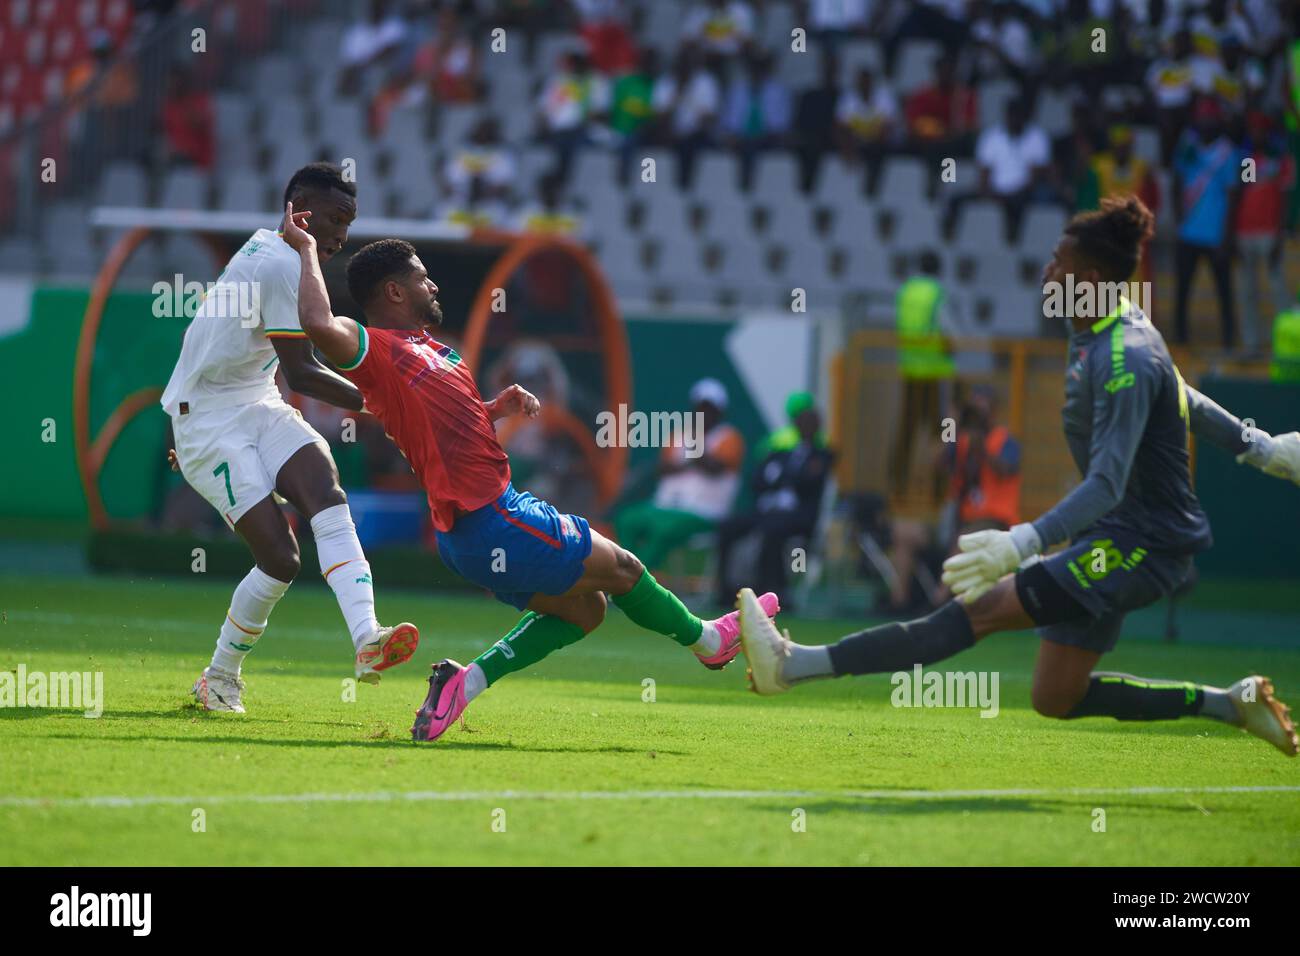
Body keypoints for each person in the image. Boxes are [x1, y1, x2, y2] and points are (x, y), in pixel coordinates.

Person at [736, 196, 1300, 758]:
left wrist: (1021, 543)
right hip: (1115, 534)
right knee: (1056, 695)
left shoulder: (1127, 354)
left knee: (976, 614)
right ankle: (1232, 704)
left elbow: (1107, 481)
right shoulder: (1105, 325)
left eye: (1059, 262)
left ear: (1092, 276)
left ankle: (795, 666)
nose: (1048, 272)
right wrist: (1262, 447)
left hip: (1145, 544)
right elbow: (1185, 397)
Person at [278, 212, 781, 744]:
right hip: (492, 520)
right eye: (422, 277)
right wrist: (307, 248)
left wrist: (495, 407)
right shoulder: (376, 348)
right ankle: (707, 641)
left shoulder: (438, 351)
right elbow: (315, 323)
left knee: (587, 610)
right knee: (626, 568)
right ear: (393, 292)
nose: (433, 284)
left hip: (475, 532)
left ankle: (461, 685)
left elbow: (445, 427)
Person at [162, 163, 418, 713]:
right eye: (334, 220)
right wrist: (385, 402)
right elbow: (302, 372)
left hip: (252, 400)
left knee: (325, 490)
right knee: (280, 559)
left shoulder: (272, 250)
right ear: (299, 210)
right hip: (209, 421)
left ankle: (368, 638)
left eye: (348, 223)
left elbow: (209, 337)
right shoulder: (280, 262)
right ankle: (220, 677)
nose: (341, 236)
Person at [712, 393, 833, 611]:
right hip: (767, 511)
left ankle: (774, 592)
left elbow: (806, 482)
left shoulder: (823, 454)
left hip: (799, 517)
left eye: (810, 422)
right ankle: (726, 590)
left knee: (772, 531)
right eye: (801, 421)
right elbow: (758, 480)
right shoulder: (781, 452)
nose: (805, 426)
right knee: (728, 527)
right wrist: (788, 478)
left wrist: (782, 479)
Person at [614, 378, 745, 571]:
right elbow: (663, 468)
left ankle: (636, 579)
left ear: (720, 412)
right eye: (700, 408)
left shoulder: (729, 437)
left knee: (664, 530)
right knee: (628, 520)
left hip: (703, 512)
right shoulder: (680, 435)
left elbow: (714, 467)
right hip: (665, 506)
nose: (703, 414)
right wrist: (689, 461)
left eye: (709, 409)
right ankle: (621, 573)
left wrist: (690, 457)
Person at [1172, 98, 1245, 349]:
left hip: (1216, 235)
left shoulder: (1229, 152)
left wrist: (1227, 237)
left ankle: (1228, 341)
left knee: (1224, 292)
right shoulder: (1187, 146)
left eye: (1210, 118)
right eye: (1202, 118)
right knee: (1182, 290)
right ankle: (1180, 341)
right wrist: (1178, 215)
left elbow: (1234, 196)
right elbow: (1177, 178)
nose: (1205, 123)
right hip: (1188, 232)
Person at [890, 250, 954, 498]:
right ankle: (940, 488)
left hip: (909, 370)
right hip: (934, 372)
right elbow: (947, 327)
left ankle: (897, 483)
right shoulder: (936, 292)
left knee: (906, 429)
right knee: (942, 429)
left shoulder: (905, 292)